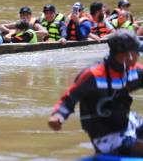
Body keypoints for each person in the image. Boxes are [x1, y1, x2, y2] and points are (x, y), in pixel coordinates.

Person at [48, 29, 143, 157]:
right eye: (137, 52)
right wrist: (58, 116)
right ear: (127, 55)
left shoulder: (132, 70)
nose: (139, 56)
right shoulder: (93, 75)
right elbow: (70, 98)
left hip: (126, 124)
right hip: (105, 136)